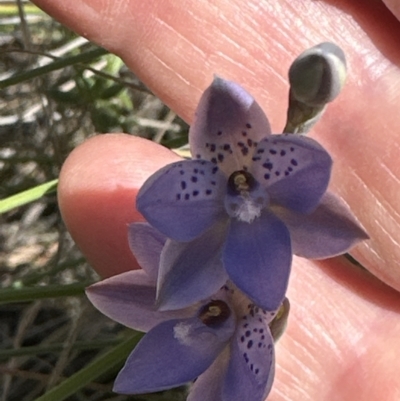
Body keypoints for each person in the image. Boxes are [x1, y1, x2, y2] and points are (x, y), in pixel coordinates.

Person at [32, 1, 400, 399]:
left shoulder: (305, 208)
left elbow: (327, 217)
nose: (242, 187)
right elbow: (163, 259)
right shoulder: (187, 277)